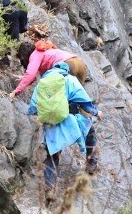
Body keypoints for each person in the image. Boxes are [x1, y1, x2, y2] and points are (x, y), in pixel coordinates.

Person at [13, 41, 98, 173]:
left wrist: (16, 91)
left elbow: (32, 75)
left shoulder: (35, 55)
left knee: (64, 106)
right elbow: (42, 76)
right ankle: (91, 160)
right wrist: (26, 77)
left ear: (24, 55)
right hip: (79, 64)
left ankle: (64, 133)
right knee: (77, 101)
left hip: (70, 66)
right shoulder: (45, 51)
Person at [27, 61, 99, 192]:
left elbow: (32, 108)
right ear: (66, 70)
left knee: (52, 155)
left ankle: (49, 188)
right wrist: (96, 112)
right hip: (70, 121)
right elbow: (85, 104)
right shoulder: (69, 79)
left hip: (51, 124)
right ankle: (91, 166)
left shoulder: (42, 83)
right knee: (90, 131)